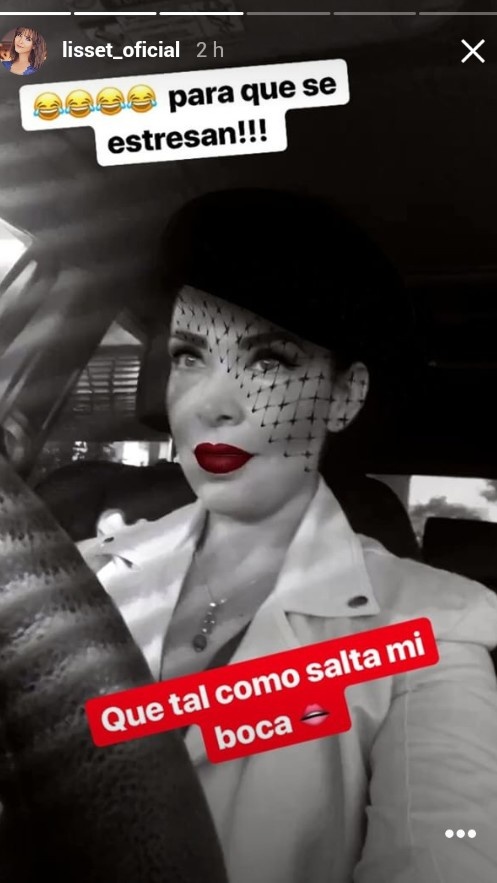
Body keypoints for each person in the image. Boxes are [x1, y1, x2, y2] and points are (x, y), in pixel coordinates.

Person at [79, 189, 497, 883]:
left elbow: (449, 844)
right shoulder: (80, 575)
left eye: (269, 361)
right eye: (189, 356)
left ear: (344, 395)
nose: (212, 403)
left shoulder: (436, 625)